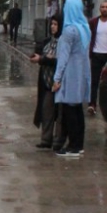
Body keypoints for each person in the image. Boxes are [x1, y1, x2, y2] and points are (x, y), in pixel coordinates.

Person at [52, 0, 91, 157]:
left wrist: (57, 78)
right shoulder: (84, 28)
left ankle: (73, 146)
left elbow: (63, 57)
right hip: (81, 73)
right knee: (77, 111)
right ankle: (78, 144)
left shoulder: (69, 31)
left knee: (69, 111)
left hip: (70, 74)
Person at [30, 15, 62, 149]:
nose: (52, 27)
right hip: (47, 82)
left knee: (60, 114)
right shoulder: (47, 41)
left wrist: (44, 59)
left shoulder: (63, 42)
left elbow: (59, 61)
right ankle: (46, 139)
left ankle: (58, 140)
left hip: (60, 83)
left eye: (55, 24)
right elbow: (40, 55)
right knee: (46, 110)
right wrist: (38, 57)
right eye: (52, 24)